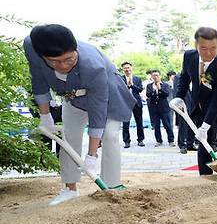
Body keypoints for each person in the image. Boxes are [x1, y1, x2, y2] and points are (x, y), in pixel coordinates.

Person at [24, 24, 136, 205]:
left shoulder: (93, 66)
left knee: (109, 135)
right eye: (54, 62)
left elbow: (98, 109)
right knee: (69, 136)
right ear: (42, 55)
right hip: (72, 96)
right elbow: (38, 79)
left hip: (107, 96)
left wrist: (92, 155)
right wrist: (45, 116)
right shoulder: (32, 46)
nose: (63, 66)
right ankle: (70, 188)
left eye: (69, 59)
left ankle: (112, 187)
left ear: (75, 49)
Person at [171, 27, 217, 176]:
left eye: (213, 48)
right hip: (200, 108)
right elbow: (185, 77)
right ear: (196, 45)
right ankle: (205, 178)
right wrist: (179, 96)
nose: (208, 53)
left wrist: (205, 127)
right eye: (203, 48)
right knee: (205, 145)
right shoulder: (189, 56)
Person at [145, 70, 175, 147]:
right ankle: (159, 140)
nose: (155, 77)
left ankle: (171, 140)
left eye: (157, 75)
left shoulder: (165, 85)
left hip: (164, 108)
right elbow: (148, 95)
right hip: (154, 109)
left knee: (167, 125)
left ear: (160, 76)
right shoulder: (149, 86)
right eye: (154, 75)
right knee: (156, 126)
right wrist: (154, 91)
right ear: (151, 77)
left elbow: (166, 94)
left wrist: (160, 89)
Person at [121, 61, 145, 148]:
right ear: (123, 69)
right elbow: (120, 90)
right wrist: (127, 86)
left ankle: (140, 140)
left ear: (131, 68)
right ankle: (126, 141)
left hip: (136, 103)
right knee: (126, 123)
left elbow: (140, 89)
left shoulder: (137, 78)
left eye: (128, 67)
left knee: (139, 122)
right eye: (125, 68)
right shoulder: (120, 78)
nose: (127, 69)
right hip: (125, 103)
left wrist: (132, 85)